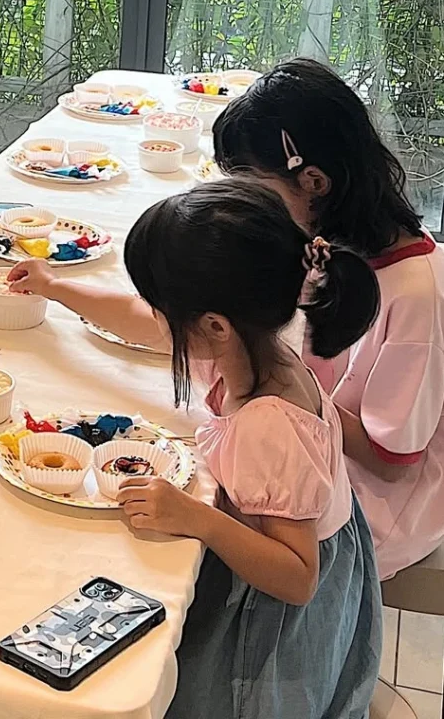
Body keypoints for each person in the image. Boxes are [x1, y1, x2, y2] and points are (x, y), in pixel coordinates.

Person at [119, 181, 381, 718]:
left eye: (159, 308)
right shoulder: (260, 347)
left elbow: (297, 577)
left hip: (271, 605)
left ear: (214, 325)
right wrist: (54, 287)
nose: (155, 319)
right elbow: (136, 322)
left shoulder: (269, 422)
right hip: (297, 549)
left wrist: (196, 517)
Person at [213, 57, 444, 579]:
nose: (249, 206)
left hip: (375, 505)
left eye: (256, 190)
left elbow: (391, 459)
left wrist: (285, 393)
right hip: (318, 443)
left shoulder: (416, 293)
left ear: (313, 181)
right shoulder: (334, 246)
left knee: (204, 506)